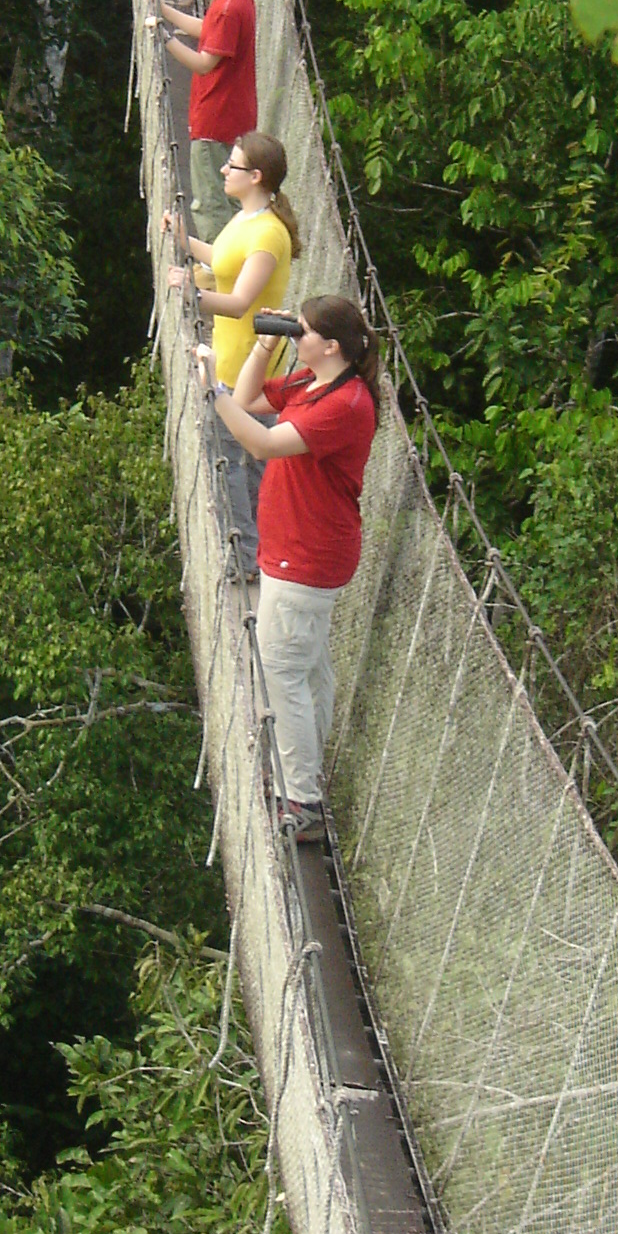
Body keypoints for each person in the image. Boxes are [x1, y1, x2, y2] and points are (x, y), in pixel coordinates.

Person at [200, 294, 381, 845]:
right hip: (295, 551)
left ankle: (302, 799)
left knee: (281, 672)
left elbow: (258, 441)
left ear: (330, 345)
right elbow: (254, 399)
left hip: (306, 557)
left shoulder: (345, 404)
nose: (293, 335)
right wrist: (264, 342)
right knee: (307, 671)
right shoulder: (312, 382)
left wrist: (213, 388)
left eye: (298, 330)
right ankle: (305, 775)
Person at [164, 132, 301, 574]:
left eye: (233, 165)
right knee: (248, 462)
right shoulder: (247, 219)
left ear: (255, 176)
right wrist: (186, 241)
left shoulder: (268, 236)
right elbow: (222, 261)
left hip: (249, 369)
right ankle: (259, 553)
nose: (224, 169)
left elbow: (241, 301)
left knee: (232, 460)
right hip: (230, 359)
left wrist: (190, 294)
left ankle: (245, 559)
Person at [147, 0, 256, 240]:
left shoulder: (227, 8)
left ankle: (215, 268)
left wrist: (163, 38)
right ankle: (231, 264)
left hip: (215, 119)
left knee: (210, 202)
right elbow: (207, 30)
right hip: (236, 116)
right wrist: (164, 10)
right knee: (235, 201)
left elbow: (205, 63)